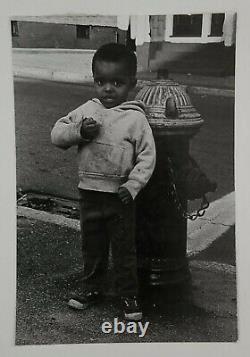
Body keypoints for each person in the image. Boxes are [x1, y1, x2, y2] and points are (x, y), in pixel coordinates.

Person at [51, 43, 156, 321]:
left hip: (120, 197)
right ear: (94, 80)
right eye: (101, 82)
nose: (108, 89)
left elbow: (147, 157)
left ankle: (128, 294)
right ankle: (91, 287)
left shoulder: (135, 118)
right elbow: (57, 134)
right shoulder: (88, 110)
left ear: (132, 84)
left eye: (117, 83)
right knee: (92, 246)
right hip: (89, 193)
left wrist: (133, 186)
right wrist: (79, 131)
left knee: (124, 249)